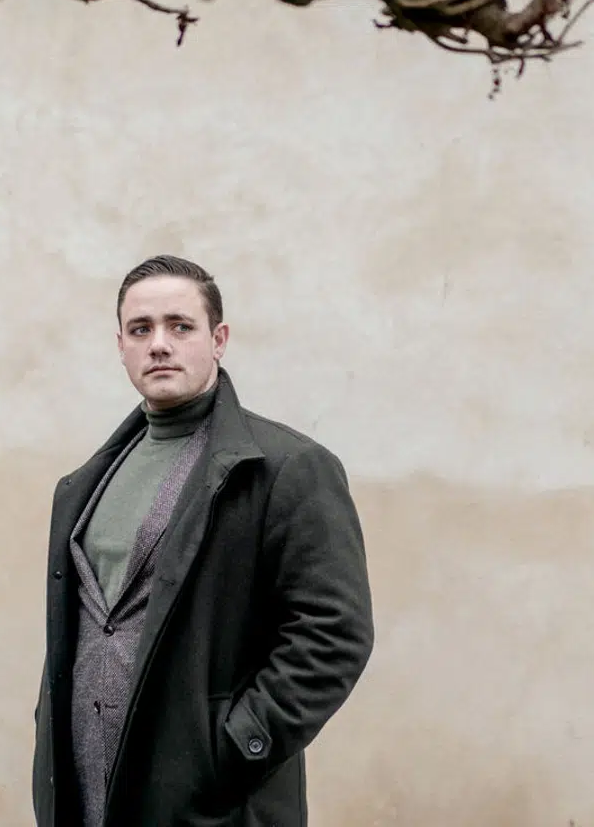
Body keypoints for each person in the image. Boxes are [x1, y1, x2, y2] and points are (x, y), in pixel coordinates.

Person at [32, 254, 375, 827]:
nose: (159, 345)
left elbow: (334, 634)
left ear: (218, 340)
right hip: (87, 788)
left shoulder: (287, 468)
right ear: (120, 346)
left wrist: (234, 749)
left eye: (180, 326)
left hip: (209, 804)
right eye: (141, 329)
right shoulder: (88, 481)